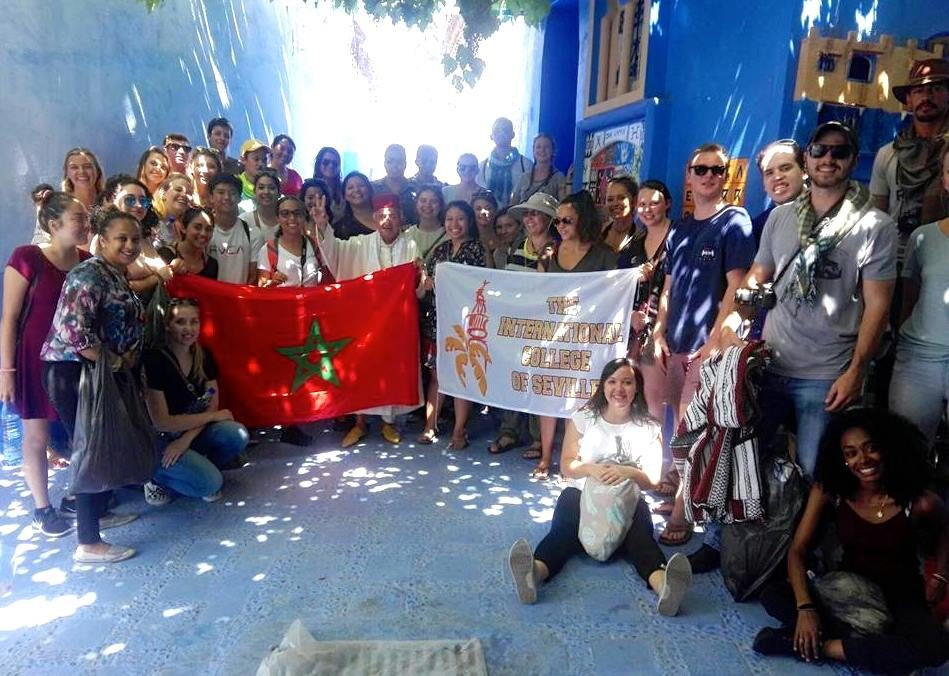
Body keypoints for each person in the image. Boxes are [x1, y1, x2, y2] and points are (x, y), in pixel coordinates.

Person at [708, 122, 897, 574]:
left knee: (818, 472)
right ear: (808, 158)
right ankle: (720, 543)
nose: (828, 158)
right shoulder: (781, 218)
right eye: (820, 150)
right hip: (770, 364)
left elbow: (878, 306)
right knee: (739, 454)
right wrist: (733, 319)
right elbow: (758, 276)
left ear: (853, 161)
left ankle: (802, 556)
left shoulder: (875, 226)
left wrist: (856, 371)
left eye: (840, 152)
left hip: (826, 374)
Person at [753, 409, 949, 672]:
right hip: (846, 591)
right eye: (851, 453)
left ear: (889, 449)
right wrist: (806, 609)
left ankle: (816, 646)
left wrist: (940, 577)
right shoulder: (830, 491)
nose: (863, 459)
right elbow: (797, 550)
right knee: (774, 595)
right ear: (842, 459)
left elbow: (946, 529)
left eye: (871, 448)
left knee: (937, 648)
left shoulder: (920, 502)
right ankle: (870, 644)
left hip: (902, 597)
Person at [506, 358, 692, 616]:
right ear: (603, 386)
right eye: (612, 382)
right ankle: (534, 573)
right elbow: (567, 465)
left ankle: (665, 587)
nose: (619, 389)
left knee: (641, 538)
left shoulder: (649, 427)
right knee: (563, 529)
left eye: (627, 382)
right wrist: (591, 470)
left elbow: (652, 479)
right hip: (583, 494)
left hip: (625, 501)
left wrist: (627, 472)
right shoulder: (584, 418)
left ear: (637, 387)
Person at [651, 143, 755, 547]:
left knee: (690, 431)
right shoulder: (679, 228)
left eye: (717, 169)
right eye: (701, 169)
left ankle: (682, 512)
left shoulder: (735, 221)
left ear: (725, 176)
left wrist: (714, 340)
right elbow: (669, 285)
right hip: (675, 343)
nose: (709, 175)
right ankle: (682, 492)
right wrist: (659, 331)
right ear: (689, 176)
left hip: (705, 349)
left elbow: (736, 286)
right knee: (675, 424)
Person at [41, 209, 148, 563]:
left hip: (97, 371)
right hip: (75, 374)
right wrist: (115, 363)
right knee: (89, 449)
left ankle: (99, 513)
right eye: (121, 238)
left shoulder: (114, 273)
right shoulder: (88, 274)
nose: (130, 245)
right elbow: (75, 333)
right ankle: (88, 543)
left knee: (101, 445)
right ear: (103, 239)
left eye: (135, 239)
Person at [1, 193, 91, 537]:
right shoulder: (27, 258)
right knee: (36, 437)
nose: (85, 224)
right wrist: (6, 373)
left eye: (85, 217)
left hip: (74, 363)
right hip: (33, 361)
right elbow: (9, 318)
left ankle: (76, 498)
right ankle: (42, 508)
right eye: (78, 218)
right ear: (54, 224)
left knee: (82, 432)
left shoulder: (87, 262)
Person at [313, 193, 422, 446]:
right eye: (382, 215)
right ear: (374, 219)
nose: (387, 220)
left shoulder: (411, 246)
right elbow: (334, 252)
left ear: (401, 219)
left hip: (396, 322)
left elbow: (417, 284)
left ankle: (387, 423)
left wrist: (419, 277)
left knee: (391, 369)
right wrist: (322, 225)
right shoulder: (359, 244)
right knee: (361, 367)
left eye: (393, 216)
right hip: (364, 320)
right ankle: (359, 423)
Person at [535, 191, 617, 479]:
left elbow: (614, 296)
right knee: (548, 395)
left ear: (583, 220)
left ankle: (570, 458)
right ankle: (546, 456)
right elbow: (538, 293)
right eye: (557, 221)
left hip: (588, 340)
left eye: (567, 220)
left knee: (578, 399)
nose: (560, 226)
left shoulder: (605, 255)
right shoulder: (549, 252)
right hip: (553, 335)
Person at [142, 298, 249, 506]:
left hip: (189, 434)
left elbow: (212, 404)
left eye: (194, 321)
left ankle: (196, 467)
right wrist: (213, 417)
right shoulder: (155, 360)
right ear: (167, 325)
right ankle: (155, 480)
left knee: (237, 434)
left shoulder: (203, 355)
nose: (188, 328)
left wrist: (186, 440)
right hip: (162, 440)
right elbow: (162, 422)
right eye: (180, 322)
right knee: (211, 484)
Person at [888, 144, 949, 447]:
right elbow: (908, 298)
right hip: (919, 359)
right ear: (945, 179)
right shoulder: (923, 237)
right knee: (906, 449)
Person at [489, 192, 558, 458]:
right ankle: (509, 430)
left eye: (536, 213)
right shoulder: (518, 248)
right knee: (514, 376)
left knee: (537, 379)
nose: (530, 218)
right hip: (517, 326)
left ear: (549, 219)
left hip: (544, 326)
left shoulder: (558, 249)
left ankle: (538, 438)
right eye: (527, 213)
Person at [417, 201, 486, 448]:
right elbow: (425, 285)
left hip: (464, 323)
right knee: (436, 375)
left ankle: (459, 429)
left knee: (461, 375)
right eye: (449, 219)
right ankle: (430, 425)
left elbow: (481, 286)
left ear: (469, 222)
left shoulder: (477, 249)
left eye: (460, 219)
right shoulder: (440, 250)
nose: (454, 224)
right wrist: (426, 282)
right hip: (437, 321)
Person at [870, 58, 949, 248]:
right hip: (894, 254)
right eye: (918, 91)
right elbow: (876, 215)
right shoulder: (888, 153)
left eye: (936, 89)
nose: (926, 97)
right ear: (908, 100)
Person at [207, 173, 264, 284]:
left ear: (239, 198)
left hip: (239, 294)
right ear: (211, 197)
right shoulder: (203, 232)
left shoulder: (253, 234)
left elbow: (253, 277)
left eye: (232, 193)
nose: (227, 197)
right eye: (221, 192)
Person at [257, 195, 322, 287]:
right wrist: (272, 282)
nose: (292, 218)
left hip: (312, 297)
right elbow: (262, 288)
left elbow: (327, 279)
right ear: (277, 218)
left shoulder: (315, 245)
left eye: (297, 213)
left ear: (304, 216)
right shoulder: (268, 249)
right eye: (285, 213)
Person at [752, 139, 807, 245]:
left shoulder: (828, 211)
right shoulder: (757, 228)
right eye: (769, 173)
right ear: (764, 184)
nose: (777, 177)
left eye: (785, 168)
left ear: (804, 171)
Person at [478, 117, 532, 207]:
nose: (501, 133)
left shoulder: (526, 164)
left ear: (513, 134)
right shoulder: (482, 166)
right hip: (490, 214)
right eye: (497, 130)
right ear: (491, 136)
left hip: (517, 214)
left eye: (505, 130)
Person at [157, 206, 219, 279]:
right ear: (183, 228)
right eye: (197, 227)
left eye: (208, 229)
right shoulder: (165, 254)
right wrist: (170, 269)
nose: (203, 233)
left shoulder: (212, 265)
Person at [511, 134, 566, 206]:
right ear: (533, 151)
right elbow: (513, 203)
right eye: (538, 147)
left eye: (546, 147)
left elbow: (563, 205)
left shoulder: (559, 177)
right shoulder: (525, 177)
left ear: (553, 151)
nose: (542, 150)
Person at [370, 144, 417, 223]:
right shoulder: (373, 188)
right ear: (384, 163)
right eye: (390, 161)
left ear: (405, 164)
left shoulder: (416, 188)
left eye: (399, 162)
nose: (394, 165)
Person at [404, 185, 446, 263]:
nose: (428, 205)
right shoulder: (407, 235)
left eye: (433, 201)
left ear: (440, 205)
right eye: (423, 201)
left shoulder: (450, 235)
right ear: (416, 203)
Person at [152, 173, 194, 250]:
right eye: (178, 190)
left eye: (189, 193)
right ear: (163, 192)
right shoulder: (148, 218)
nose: (184, 195)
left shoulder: (182, 230)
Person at [239, 169, 281, 241]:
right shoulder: (244, 220)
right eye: (261, 188)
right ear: (254, 192)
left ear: (279, 193)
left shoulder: (288, 220)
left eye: (272, 188)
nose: (266, 192)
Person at [600, 175, 639, 254]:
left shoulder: (642, 236)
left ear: (634, 201)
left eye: (621, 198)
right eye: (610, 199)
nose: (615, 203)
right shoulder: (599, 234)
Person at [333, 171, 375, 240]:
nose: (356, 190)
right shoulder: (340, 228)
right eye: (350, 188)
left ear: (370, 190)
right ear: (344, 196)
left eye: (361, 185)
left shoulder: (386, 215)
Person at [312, 147, 345, 221]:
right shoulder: (309, 188)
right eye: (326, 162)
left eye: (335, 163)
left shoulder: (345, 188)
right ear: (319, 164)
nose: (331, 166)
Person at [471, 189, 500, 268]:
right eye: (478, 209)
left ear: (495, 210)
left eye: (488, 208)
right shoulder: (468, 238)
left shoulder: (504, 234)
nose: (483, 212)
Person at [238, 139, 271, 205]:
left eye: (264, 160)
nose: (261, 164)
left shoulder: (272, 186)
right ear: (243, 160)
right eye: (256, 159)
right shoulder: (235, 186)